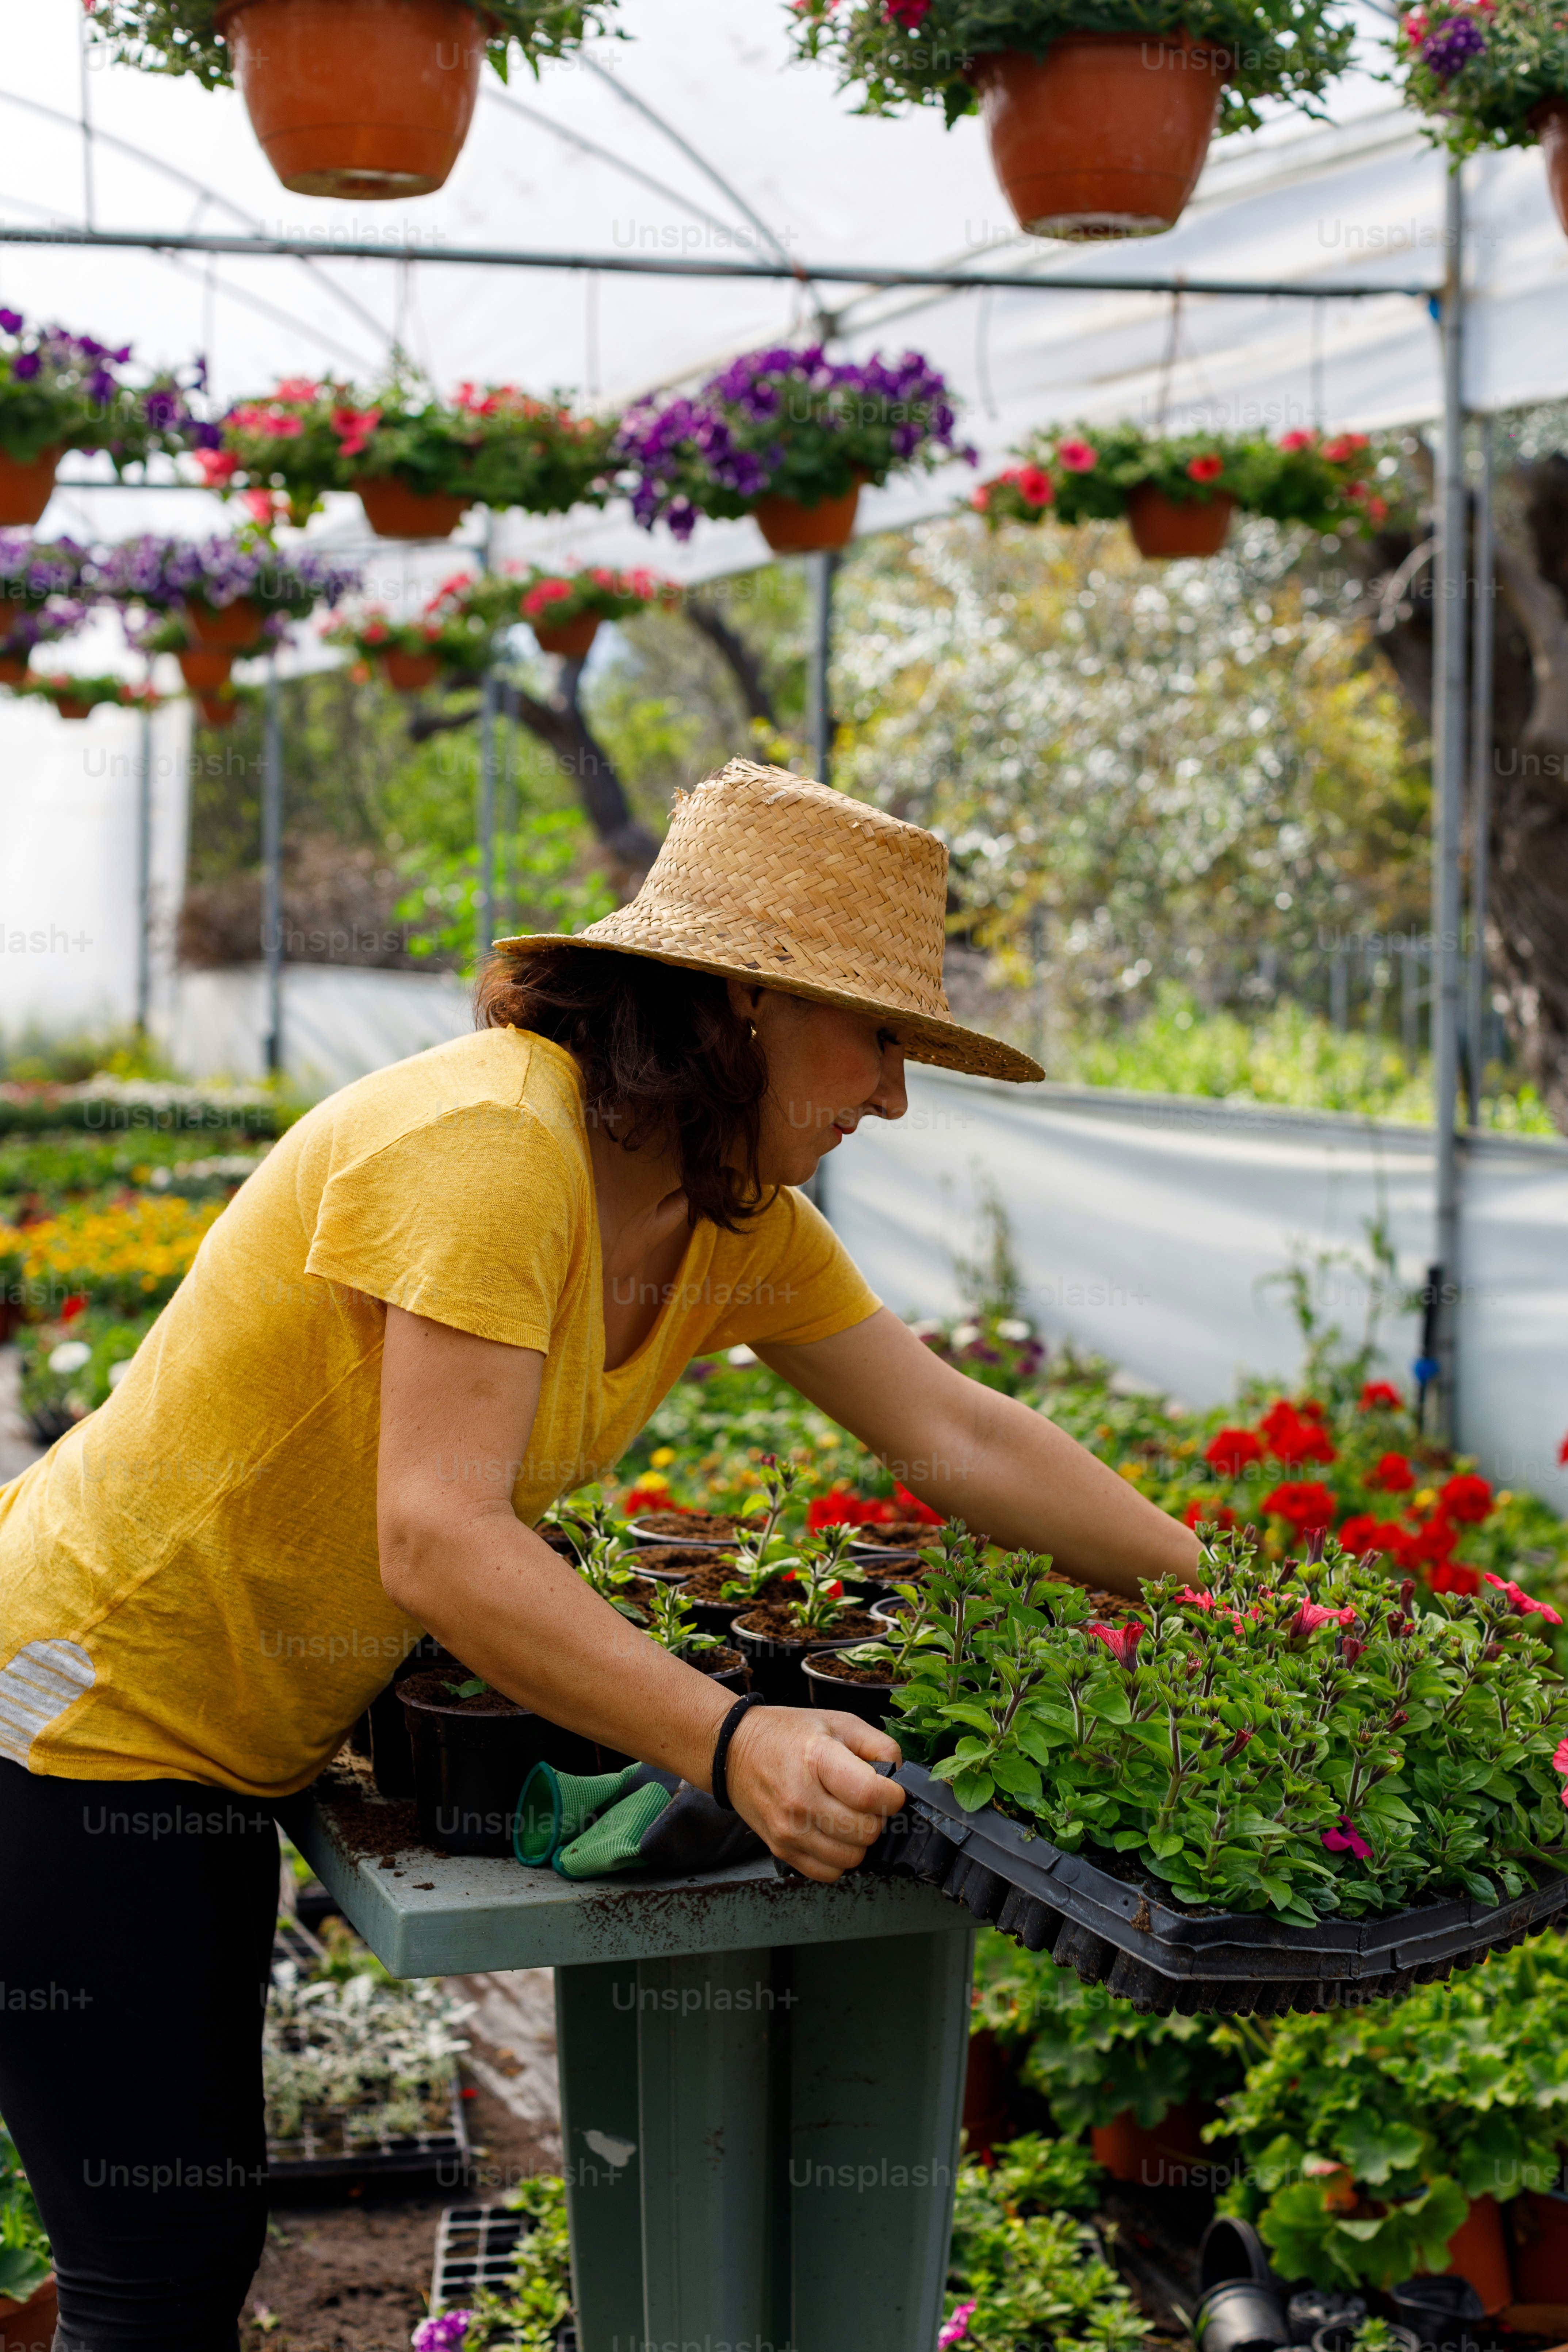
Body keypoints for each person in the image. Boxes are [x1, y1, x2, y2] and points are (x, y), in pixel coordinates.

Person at [0, 758, 1198, 2351]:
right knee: (156, 2273)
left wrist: (1227, 1599)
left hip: (227, 1737)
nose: (896, 1097)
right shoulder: (495, 1148)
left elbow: (954, 1432)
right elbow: (437, 1536)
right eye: (886, 1039)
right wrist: (730, 1735)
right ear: (754, 1001)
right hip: (79, 1716)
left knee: (189, 2244)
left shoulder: (730, 1215)